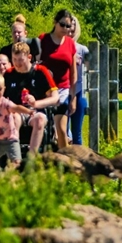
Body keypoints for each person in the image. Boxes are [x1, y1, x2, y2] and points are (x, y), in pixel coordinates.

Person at [2, 41, 59, 154]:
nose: (17, 64)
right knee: (13, 119)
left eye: (20, 60)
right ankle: (14, 157)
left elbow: (55, 97)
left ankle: (31, 158)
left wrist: (36, 103)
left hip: (36, 111)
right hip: (17, 111)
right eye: (14, 59)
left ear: (29, 57)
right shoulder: (8, 74)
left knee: (40, 120)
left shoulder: (40, 71)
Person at [0, 73, 32, 178]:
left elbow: (17, 108)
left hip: (11, 140)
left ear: (4, 89)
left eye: (0, 89)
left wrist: (29, 112)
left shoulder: (6, 103)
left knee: (17, 164)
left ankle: (12, 182)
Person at [38, 9, 77, 149]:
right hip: (45, 91)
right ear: (55, 22)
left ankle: (64, 161)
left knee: (61, 129)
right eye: (63, 25)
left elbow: (73, 73)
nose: (66, 29)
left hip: (63, 90)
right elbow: (35, 65)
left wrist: (73, 97)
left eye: (69, 26)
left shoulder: (70, 44)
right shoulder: (43, 40)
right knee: (42, 127)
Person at [67, 14, 90, 145]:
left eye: (73, 27)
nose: (71, 31)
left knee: (77, 132)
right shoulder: (58, 48)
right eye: (68, 27)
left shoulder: (82, 49)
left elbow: (92, 67)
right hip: (62, 92)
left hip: (79, 91)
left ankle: (79, 161)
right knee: (62, 131)